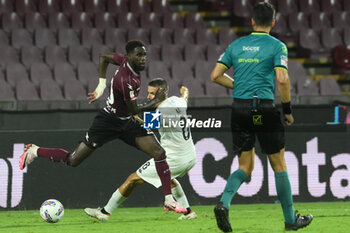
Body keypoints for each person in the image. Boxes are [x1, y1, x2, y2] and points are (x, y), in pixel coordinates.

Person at [19, 40, 186, 213]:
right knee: (73, 160)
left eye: (144, 54)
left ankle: (168, 199)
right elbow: (135, 109)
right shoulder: (126, 80)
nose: (143, 58)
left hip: (126, 122)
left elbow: (104, 57)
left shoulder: (124, 61)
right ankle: (35, 150)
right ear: (130, 56)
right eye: (139, 55)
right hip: (107, 122)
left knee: (159, 153)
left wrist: (101, 84)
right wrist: (157, 101)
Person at [210, 2, 313, 232]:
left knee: (245, 167)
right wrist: (286, 109)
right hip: (263, 108)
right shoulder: (277, 46)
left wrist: (238, 86)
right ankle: (290, 220)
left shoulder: (236, 45)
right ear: (273, 22)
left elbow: (215, 75)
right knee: (278, 164)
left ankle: (224, 203)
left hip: (239, 109)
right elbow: (283, 79)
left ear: (252, 21)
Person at [84, 78, 197, 221]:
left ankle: (104, 212)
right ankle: (188, 212)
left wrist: (132, 115)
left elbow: (143, 123)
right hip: (191, 156)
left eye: (151, 93)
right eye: (148, 93)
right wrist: (185, 91)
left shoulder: (162, 111)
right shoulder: (177, 102)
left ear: (161, 93)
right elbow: (184, 98)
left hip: (175, 158)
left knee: (132, 179)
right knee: (169, 179)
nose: (148, 96)